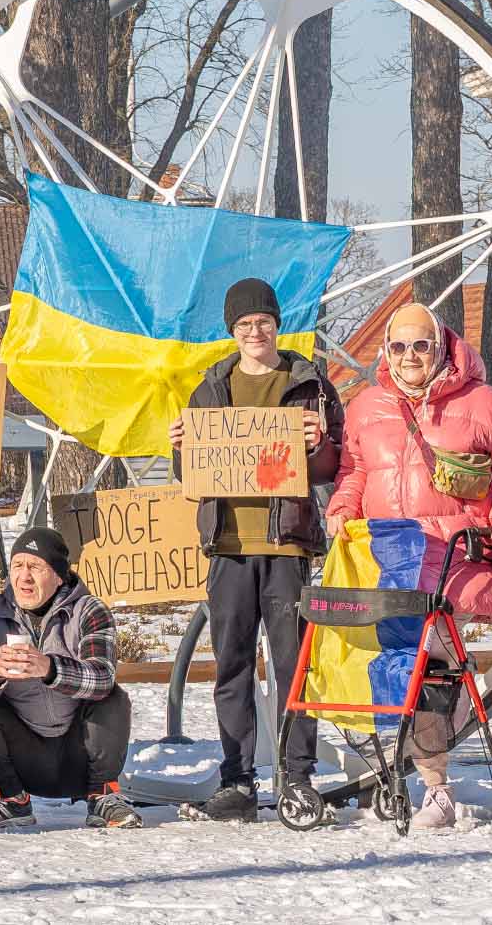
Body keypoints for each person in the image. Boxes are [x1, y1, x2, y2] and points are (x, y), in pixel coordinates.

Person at [328, 301, 492, 829]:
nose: (409, 357)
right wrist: (341, 508)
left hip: (455, 565)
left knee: (434, 670)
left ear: (442, 346)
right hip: (387, 564)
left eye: (420, 346)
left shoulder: (483, 404)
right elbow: (354, 470)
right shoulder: (366, 408)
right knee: (389, 670)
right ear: (386, 352)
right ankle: (408, 771)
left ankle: (436, 787)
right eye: (398, 346)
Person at [168, 278, 343, 825]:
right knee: (233, 664)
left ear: (276, 324)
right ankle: (236, 778)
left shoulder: (308, 383)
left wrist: (321, 444)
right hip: (228, 544)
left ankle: (297, 773)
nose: (255, 331)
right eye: (244, 325)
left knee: (292, 664)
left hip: (287, 542)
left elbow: (333, 466)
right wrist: (180, 448)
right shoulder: (211, 388)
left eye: (262, 321)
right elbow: (191, 475)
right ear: (233, 331)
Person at [0, 528, 140, 830]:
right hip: (23, 755)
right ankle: (10, 799)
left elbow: (102, 677)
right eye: (18, 565)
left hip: (81, 753)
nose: (24, 577)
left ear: (58, 575)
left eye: (36, 567)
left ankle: (103, 795)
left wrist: (49, 669)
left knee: (113, 697)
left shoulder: (89, 610)